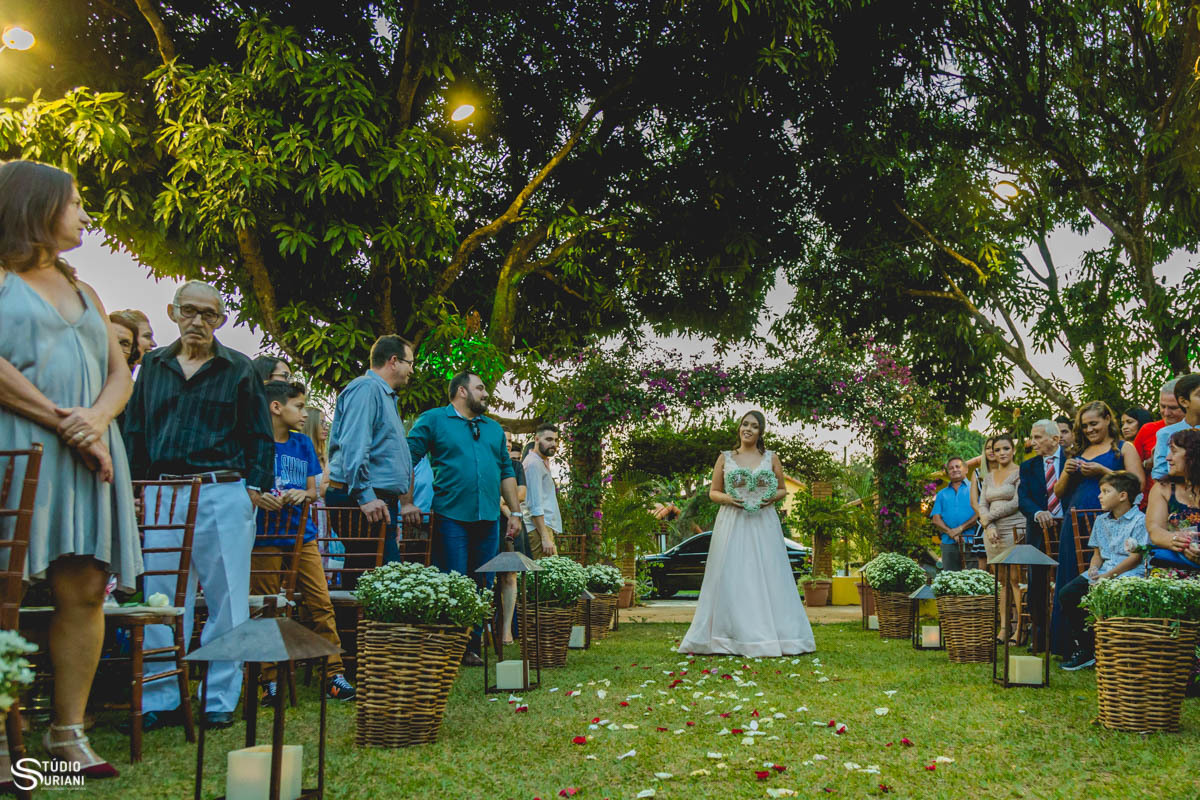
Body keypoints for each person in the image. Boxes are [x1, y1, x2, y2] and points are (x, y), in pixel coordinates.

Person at [0, 160, 141, 779]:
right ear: (36, 205)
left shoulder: (88, 293)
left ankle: (68, 735)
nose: (85, 214)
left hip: (92, 453)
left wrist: (96, 421)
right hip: (18, 441)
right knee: (2, 589)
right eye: (76, 201)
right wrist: (67, 423)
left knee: (84, 589)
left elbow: (119, 375)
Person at [124, 279, 274, 730]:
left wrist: (251, 491)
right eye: (190, 311)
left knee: (229, 597)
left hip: (222, 489)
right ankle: (160, 695)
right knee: (161, 597)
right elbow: (136, 429)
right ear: (172, 312)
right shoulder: (153, 365)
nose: (198, 321)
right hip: (163, 490)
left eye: (209, 314)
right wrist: (135, 488)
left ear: (221, 321)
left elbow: (259, 435)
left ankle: (219, 698)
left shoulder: (239, 368)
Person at [677, 410, 816, 656]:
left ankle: (773, 635)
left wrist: (767, 498)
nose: (748, 429)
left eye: (754, 426)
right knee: (731, 573)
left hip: (763, 521)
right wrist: (730, 499)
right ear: (739, 428)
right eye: (745, 424)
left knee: (767, 572)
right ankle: (729, 635)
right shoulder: (725, 458)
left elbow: (783, 489)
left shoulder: (771, 458)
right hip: (732, 521)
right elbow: (713, 492)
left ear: (760, 432)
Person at [249, 381, 354, 703]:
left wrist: (303, 494)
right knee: (266, 607)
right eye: (298, 406)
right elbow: (246, 489)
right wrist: (257, 497)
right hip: (264, 537)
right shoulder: (254, 445)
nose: (304, 412)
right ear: (276, 407)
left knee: (320, 603)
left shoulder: (303, 445)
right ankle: (269, 680)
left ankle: (333, 674)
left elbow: (314, 490)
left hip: (301, 535)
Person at [407, 372, 523, 664]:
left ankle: (470, 647)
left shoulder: (494, 429)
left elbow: (506, 472)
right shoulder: (433, 420)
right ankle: (447, 645)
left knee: (482, 582)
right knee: (453, 579)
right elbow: (406, 457)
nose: (485, 394)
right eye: (480, 388)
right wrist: (406, 501)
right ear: (461, 391)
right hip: (450, 515)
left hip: (488, 518)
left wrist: (515, 512)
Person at [1048, 400, 1145, 657]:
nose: (1089, 430)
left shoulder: (1124, 448)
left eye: (1094, 424)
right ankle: (1068, 644)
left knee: (1102, 576)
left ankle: (1101, 644)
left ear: (1107, 421)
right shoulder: (1078, 450)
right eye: (1085, 426)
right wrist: (1068, 472)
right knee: (1071, 577)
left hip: (1111, 522)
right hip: (1075, 519)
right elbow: (1058, 492)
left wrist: (1103, 470)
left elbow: (1139, 483)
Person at [324, 335, 422, 572]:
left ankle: (349, 611)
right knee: (383, 578)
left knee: (365, 574)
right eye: (410, 363)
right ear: (394, 361)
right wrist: (364, 495)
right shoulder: (366, 388)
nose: (412, 370)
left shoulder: (385, 395)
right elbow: (354, 444)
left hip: (377, 500)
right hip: (361, 500)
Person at [1056, 471, 1147, 671]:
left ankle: (1118, 654)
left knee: (1114, 600)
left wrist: (1106, 576)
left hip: (1129, 574)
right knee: (1068, 594)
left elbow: (1135, 558)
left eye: (1106, 491)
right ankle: (1088, 649)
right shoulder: (1101, 521)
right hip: (1104, 571)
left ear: (1123, 495)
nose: (1100, 495)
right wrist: (1094, 569)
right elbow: (1097, 553)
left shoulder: (1140, 520)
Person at [1016, 419, 1067, 651]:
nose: (1032, 442)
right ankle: (1039, 636)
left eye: (1038, 437)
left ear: (1055, 439)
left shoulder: (1072, 461)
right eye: (1032, 437)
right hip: (1038, 531)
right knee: (1037, 583)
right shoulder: (1028, 467)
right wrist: (1037, 512)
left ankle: (1065, 635)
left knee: (1066, 578)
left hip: (1068, 529)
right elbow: (1023, 499)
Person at [977, 434, 1022, 643]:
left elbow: (1016, 502)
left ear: (1013, 450)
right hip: (992, 533)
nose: (1002, 453)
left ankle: (1020, 629)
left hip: (1015, 528)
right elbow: (982, 504)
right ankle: (1004, 628)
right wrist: (988, 526)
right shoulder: (988, 477)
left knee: (1016, 579)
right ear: (992, 453)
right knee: (1002, 581)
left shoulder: (1020, 472)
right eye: (998, 449)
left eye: (1006, 448)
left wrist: (988, 518)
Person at [1146, 428, 1200, 570]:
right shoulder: (1163, 488)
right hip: (1173, 567)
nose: (1167, 457)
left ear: (1193, 455)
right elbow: (1155, 530)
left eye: (1174, 451)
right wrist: (1177, 541)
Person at [496, 439, 529, 645]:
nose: (507, 444)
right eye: (503, 440)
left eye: (509, 440)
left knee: (510, 574)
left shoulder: (516, 466)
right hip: (492, 521)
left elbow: (521, 494)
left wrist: (503, 502)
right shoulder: (489, 463)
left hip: (512, 524)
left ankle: (506, 629)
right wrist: (505, 505)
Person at [1133, 379, 1184, 508]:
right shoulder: (1147, 430)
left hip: (1188, 501)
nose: (1166, 413)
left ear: (1186, 404)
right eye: (1162, 406)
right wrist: (1148, 463)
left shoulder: (1194, 431)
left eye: (1173, 408)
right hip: (1151, 504)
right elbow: (1131, 470)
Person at [929, 457, 977, 571]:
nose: (954, 470)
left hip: (972, 540)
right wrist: (952, 533)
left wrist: (960, 529)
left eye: (958, 466)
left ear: (966, 469)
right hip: (948, 544)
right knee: (951, 580)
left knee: (973, 579)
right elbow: (936, 519)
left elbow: (980, 514)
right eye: (951, 468)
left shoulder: (975, 489)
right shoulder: (941, 494)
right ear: (947, 473)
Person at [1151, 373, 1200, 481]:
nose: (1167, 413)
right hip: (1176, 494)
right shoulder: (1166, 433)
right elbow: (1159, 474)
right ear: (1184, 401)